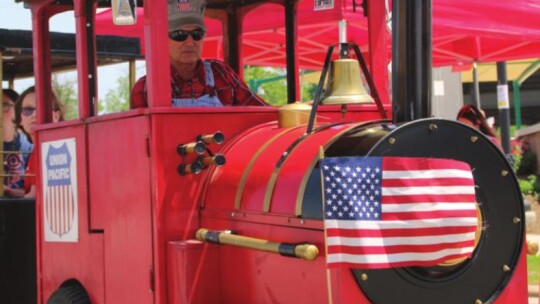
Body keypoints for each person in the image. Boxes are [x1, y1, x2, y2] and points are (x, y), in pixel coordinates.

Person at [130, 0, 267, 108]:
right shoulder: (145, 88)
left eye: (197, 34)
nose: (190, 42)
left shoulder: (221, 73)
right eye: (179, 35)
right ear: (161, 39)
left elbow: (260, 112)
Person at [14, 86, 65, 198]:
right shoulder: (36, 150)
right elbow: (33, 192)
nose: (34, 114)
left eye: (42, 108)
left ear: (56, 116)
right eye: (28, 110)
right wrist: (8, 191)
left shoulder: (53, 148)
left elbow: (33, 197)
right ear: (20, 119)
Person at [2, 88, 33, 197]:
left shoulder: (29, 146)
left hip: (22, 208)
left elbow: (35, 192)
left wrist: (8, 191)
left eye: (4, 106)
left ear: (18, 110)